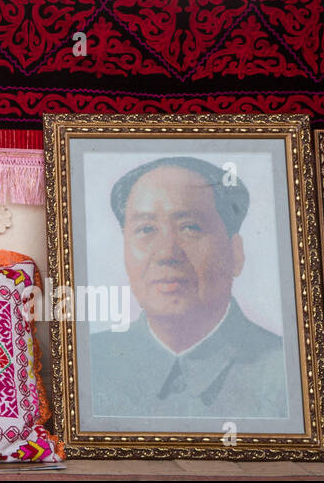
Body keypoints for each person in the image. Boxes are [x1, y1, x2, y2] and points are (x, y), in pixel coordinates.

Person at [89, 156, 288, 420]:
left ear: (235, 254)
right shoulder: (91, 364)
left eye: (190, 227)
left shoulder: (285, 370)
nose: (166, 253)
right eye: (146, 229)